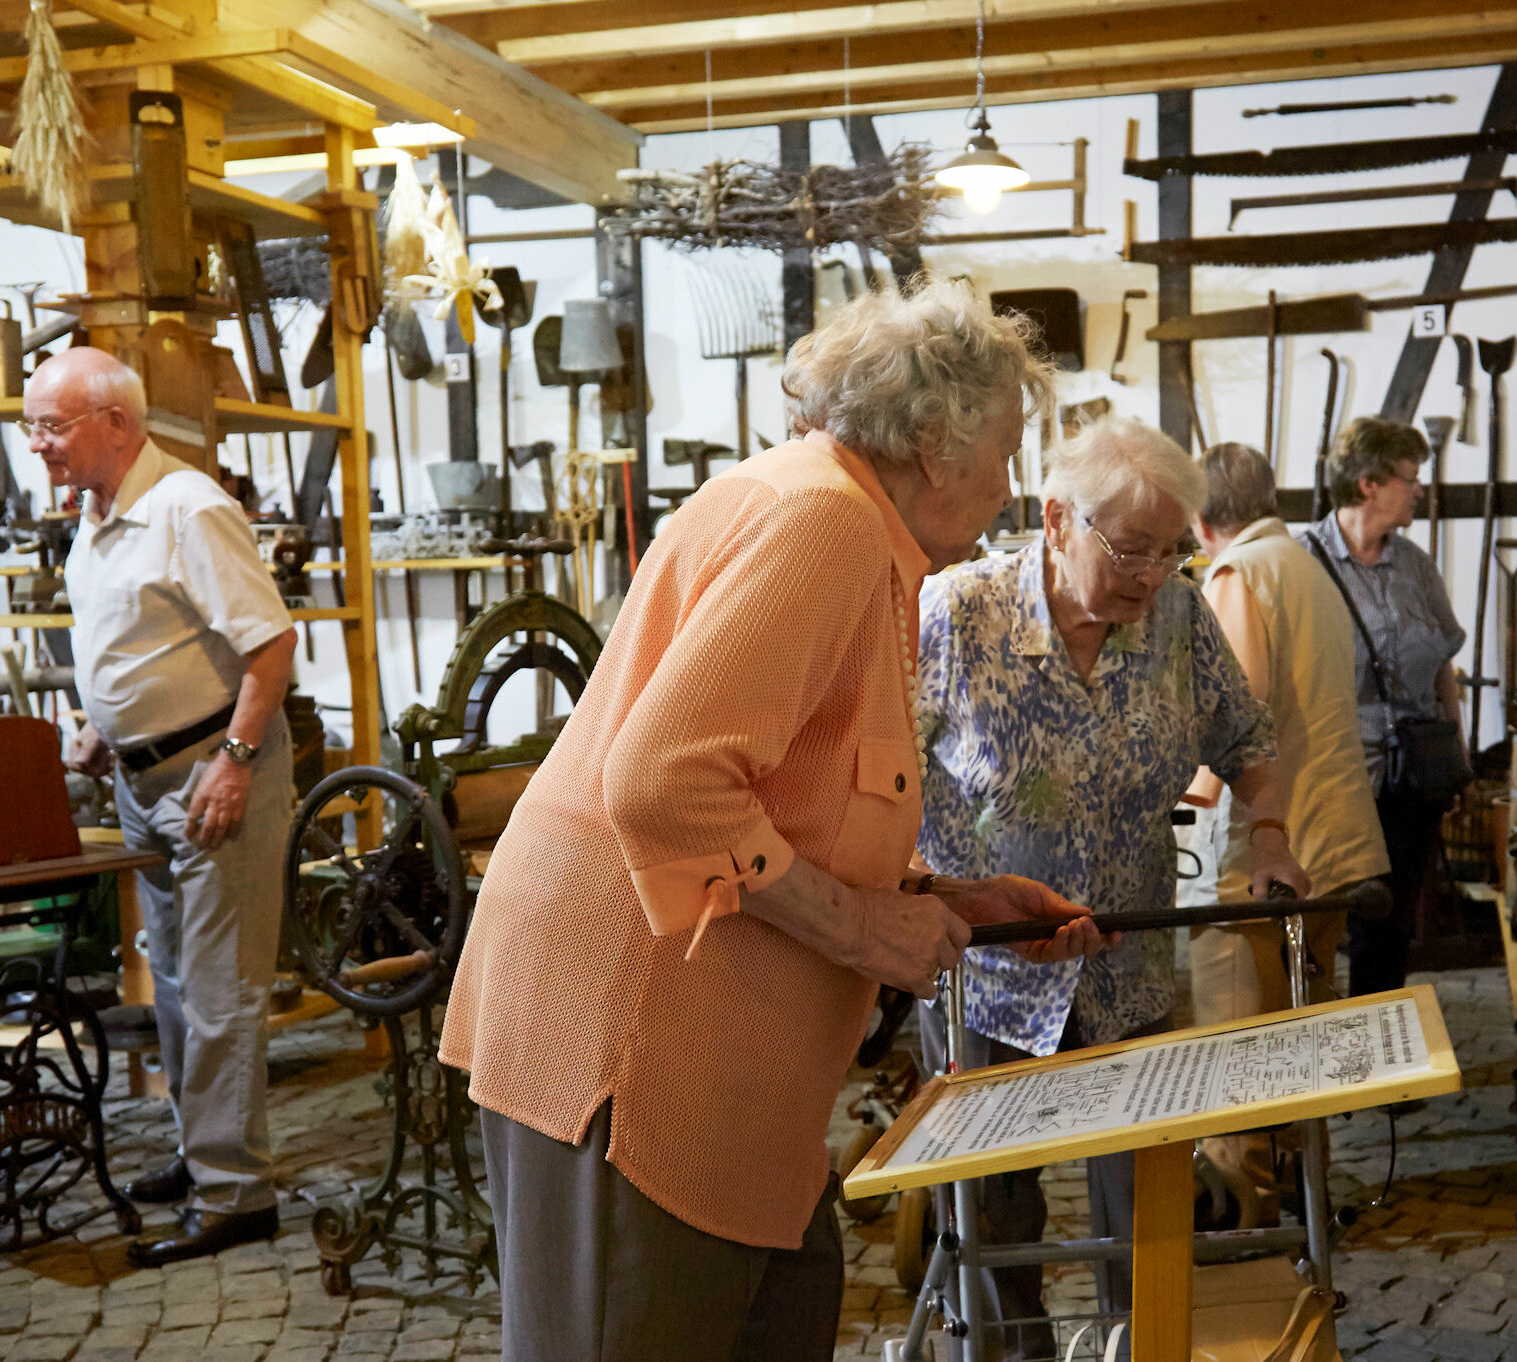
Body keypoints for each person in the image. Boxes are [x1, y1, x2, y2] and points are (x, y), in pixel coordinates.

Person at [438, 282, 1104, 1362]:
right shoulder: (825, 520)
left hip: (719, 1057)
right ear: (935, 443)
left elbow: (789, 790)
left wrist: (934, 902)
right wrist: (864, 932)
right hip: (637, 1043)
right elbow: (663, 782)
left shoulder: (834, 516)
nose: (1009, 487)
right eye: (1006, 452)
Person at [915, 416, 1313, 1357]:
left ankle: (1143, 1345)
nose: (1150, 572)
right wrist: (923, 892)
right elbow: (871, 770)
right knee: (992, 1223)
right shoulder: (956, 614)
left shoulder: (1175, 617)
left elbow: (1249, 740)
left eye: (1171, 549)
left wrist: (1269, 833)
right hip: (990, 981)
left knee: (1145, 1209)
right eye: (1131, 549)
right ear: (1055, 519)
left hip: (1129, 968)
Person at [35, 348, 300, 1266]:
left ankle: (238, 1196)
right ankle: (204, 1157)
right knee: (179, 983)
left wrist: (234, 763)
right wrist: (106, 730)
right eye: (33, 426)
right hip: (142, 778)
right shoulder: (97, 514)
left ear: (116, 421)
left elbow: (270, 650)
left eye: (52, 426)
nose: (39, 445)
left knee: (223, 989)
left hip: (213, 772)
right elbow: (138, 645)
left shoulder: (187, 508)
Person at [1180, 441, 1391, 1222]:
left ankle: (1251, 1234)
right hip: (1334, 839)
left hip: (1268, 853)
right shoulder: (1305, 564)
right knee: (1299, 1047)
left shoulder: (1240, 573)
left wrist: (1183, 793)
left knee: (1243, 1056)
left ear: (1202, 522)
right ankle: (1304, 1206)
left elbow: (1234, 716)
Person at [1300, 416, 1468, 999]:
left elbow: (1443, 661)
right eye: (1409, 477)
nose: (1419, 489)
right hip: (1334, 775)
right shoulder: (1302, 562)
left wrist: (1458, 746)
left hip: (1412, 773)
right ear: (1369, 483)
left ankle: (1379, 1058)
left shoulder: (1415, 565)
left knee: (1388, 923)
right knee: (1324, 918)